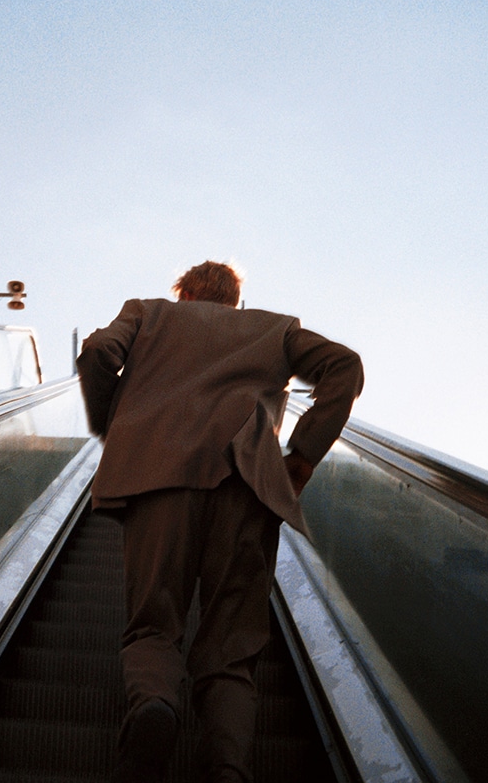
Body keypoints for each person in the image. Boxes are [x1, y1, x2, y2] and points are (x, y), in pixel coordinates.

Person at [76, 261, 363, 782]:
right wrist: (302, 457)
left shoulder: (148, 314)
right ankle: (227, 768)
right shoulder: (276, 328)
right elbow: (345, 365)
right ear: (234, 299)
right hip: (246, 486)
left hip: (158, 477)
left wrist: (112, 424)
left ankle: (155, 704)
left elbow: (97, 351)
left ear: (184, 293)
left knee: (153, 624)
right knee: (231, 647)